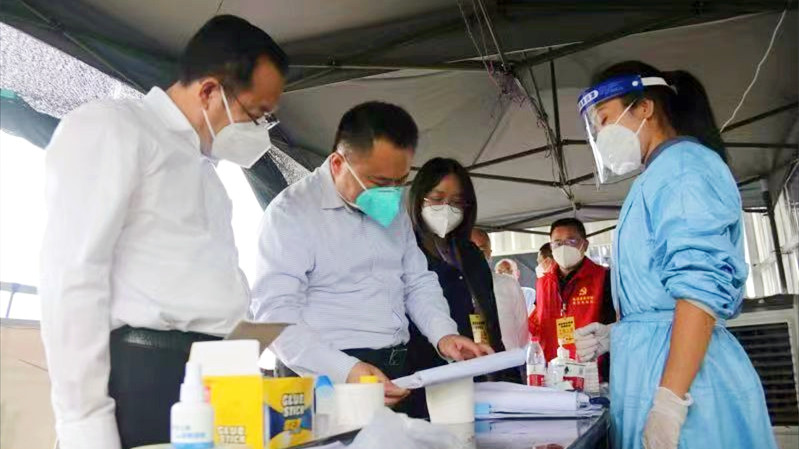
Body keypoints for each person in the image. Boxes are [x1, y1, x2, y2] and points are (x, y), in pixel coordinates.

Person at [40, 16, 288, 449]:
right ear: (209, 91)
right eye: (255, 115)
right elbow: (72, 276)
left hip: (211, 383)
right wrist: (85, 424)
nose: (259, 131)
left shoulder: (207, 173)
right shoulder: (113, 127)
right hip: (143, 380)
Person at [573, 61, 775, 449]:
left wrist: (669, 402)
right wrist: (618, 334)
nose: (600, 135)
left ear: (644, 107)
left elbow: (699, 289)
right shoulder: (659, 174)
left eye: (604, 119)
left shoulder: (683, 168)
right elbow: (661, 290)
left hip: (685, 384)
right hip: (658, 367)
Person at [250, 102, 488, 408]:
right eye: (380, 182)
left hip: (397, 369)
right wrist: (345, 370)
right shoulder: (291, 213)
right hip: (325, 375)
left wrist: (443, 334)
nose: (391, 192)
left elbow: (417, 282)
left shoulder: (392, 210)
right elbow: (274, 316)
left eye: (400, 181)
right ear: (338, 163)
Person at [404, 158, 519, 417]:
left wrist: (506, 375)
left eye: (456, 202)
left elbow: (491, 322)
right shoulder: (409, 252)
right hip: (429, 382)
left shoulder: (470, 253)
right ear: (418, 199)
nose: (447, 208)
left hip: (480, 374)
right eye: (437, 199)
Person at [529, 218, 615, 378]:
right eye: (557, 243)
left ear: (585, 245)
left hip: (592, 370)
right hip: (552, 370)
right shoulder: (543, 283)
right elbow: (537, 322)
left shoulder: (604, 278)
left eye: (571, 241)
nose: (563, 248)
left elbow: (613, 326)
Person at [470, 229, 530, 350]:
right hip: (471, 359)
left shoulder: (509, 284)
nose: (476, 255)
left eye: (481, 250)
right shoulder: (453, 289)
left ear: (490, 253)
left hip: (508, 357)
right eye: (470, 250)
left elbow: (522, 330)